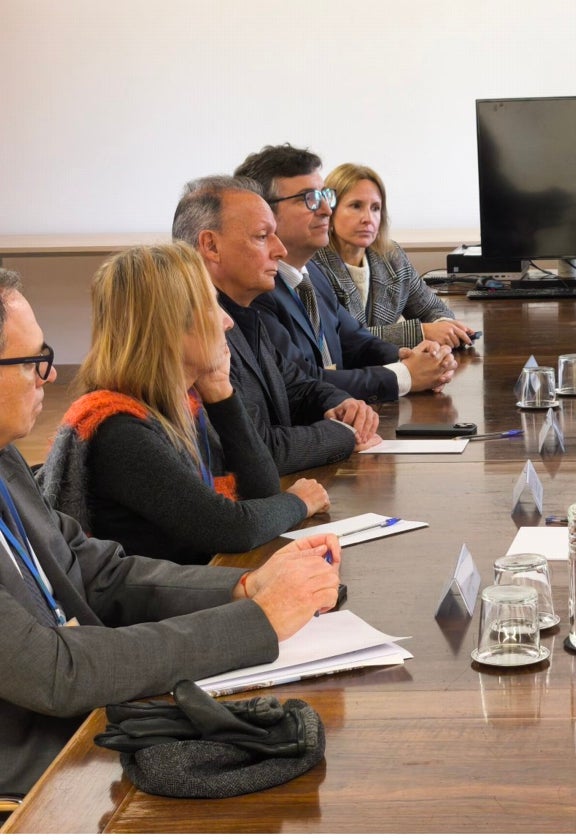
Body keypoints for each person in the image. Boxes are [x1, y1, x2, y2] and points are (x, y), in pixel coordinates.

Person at [0, 267, 343, 796]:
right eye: (32, 363)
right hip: (42, 769)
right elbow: (55, 672)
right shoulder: (116, 426)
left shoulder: (5, 460)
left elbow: (97, 571)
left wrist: (241, 588)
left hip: (92, 719)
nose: (48, 376)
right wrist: (257, 621)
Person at [38, 243, 330, 565]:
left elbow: (263, 489)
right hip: (150, 609)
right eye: (211, 306)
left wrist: (221, 391)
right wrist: (299, 501)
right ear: (169, 325)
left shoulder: (183, 404)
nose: (227, 322)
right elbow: (228, 528)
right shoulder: (119, 431)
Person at [172, 175, 382, 475]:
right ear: (211, 246)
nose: (280, 250)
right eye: (262, 236)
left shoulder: (246, 313)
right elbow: (257, 448)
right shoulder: (196, 335)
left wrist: (342, 404)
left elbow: (297, 387)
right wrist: (345, 434)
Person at [233, 145, 456, 402]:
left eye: (324, 196)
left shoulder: (312, 273)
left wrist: (412, 357)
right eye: (309, 199)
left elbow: (356, 341)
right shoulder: (253, 290)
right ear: (264, 212)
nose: (326, 209)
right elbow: (302, 382)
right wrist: (405, 376)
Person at [311, 162, 476, 349]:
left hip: (391, 368)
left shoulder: (391, 256)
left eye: (375, 208)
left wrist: (444, 326)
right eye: (356, 206)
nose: (368, 218)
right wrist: (420, 333)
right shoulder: (313, 263)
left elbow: (432, 308)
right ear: (330, 211)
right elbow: (337, 338)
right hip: (342, 375)